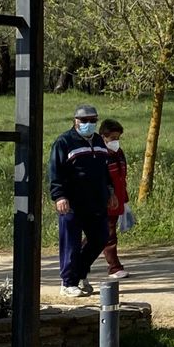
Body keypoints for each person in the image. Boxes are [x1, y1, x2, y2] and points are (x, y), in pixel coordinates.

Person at [48, 102, 112, 298]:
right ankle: (68, 282)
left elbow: (104, 170)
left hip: (96, 201)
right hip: (72, 203)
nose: (88, 124)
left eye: (93, 121)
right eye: (84, 120)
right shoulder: (64, 142)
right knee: (71, 243)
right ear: (75, 121)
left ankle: (80, 273)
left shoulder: (100, 141)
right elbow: (55, 171)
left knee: (100, 237)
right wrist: (59, 196)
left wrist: (111, 191)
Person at [99, 118, 132, 281]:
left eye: (118, 138)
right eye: (113, 139)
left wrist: (125, 201)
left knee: (98, 234)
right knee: (108, 233)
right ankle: (114, 267)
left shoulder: (119, 153)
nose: (116, 142)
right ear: (103, 137)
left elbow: (121, 178)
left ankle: (76, 256)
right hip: (104, 201)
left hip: (118, 200)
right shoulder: (99, 154)